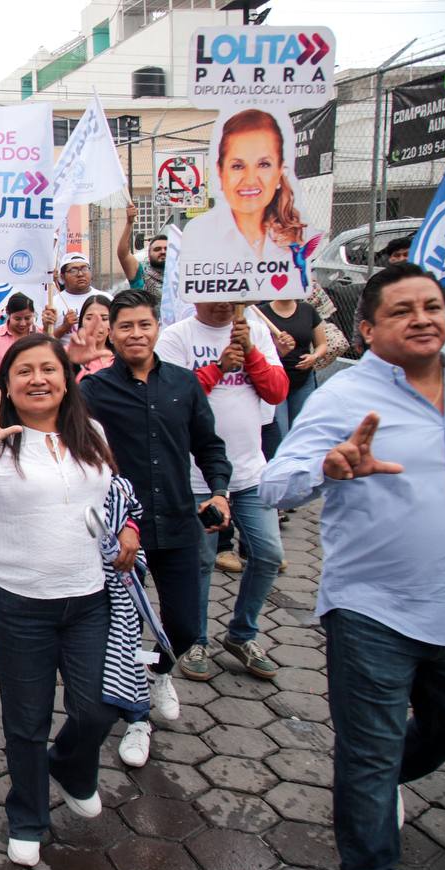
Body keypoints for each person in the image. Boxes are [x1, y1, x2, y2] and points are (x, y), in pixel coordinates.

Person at [260, 264, 445, 870]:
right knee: (367, 751)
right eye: (403, 310)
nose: (424, 318)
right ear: (367, 329)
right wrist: (327, 467)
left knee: (430, 732)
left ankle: (377, 781)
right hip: (372, 607)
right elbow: (277, 483)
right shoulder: (348, 396)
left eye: (432, 305)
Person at [0, 334, 126, 868]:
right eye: (24, 371)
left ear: (66, 377)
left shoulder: (93, 433)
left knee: (98, 707)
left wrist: (127, 529)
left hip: (89, 597)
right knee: (26, 719)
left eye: (49, 369)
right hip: (19, 602)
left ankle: (72, 767)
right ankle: (28, 816)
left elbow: (112, 496)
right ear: (7, 384)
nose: (38, 379)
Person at [81, 291, 232, 766]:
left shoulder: (184, 385)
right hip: (122, 534)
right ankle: (137, 718)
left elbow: (210, 446)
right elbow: (86, 463)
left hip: (180, 523)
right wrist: (120, 521)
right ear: (111, 333)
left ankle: (161, 671)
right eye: (125, 326)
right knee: (123, 634)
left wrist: (220, 491)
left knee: (186, 627)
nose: (136, 334)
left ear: (157, 328)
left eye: (144, 325)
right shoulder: (93, 390)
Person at [157, 302, 288, 681]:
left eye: (232, 298)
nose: (223, 305)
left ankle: (242, 633)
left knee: (267, 554)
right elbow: (170, 399)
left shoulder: (255, 332)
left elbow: (277, 392)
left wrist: (250, 353)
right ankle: (196, 639)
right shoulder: (177, 337)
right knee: (200, 562)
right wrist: (218, 368)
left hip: (249, 472)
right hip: (196, 478)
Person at [179, 110, 312, 297]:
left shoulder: (295, 235)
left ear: (280, 170)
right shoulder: (199, 233)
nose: (250, 179)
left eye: (264, 164)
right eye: (238, 166)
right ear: (220, 171)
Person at [258, 296, 328, 457]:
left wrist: (314, 357)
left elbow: (322, 344)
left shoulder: (307, 310)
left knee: (302, 432)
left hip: (304, 381)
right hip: (277, 382)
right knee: (281, 435)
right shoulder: (261, 313)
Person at [0, 293, 36, 388]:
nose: (23, 323)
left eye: (27, 318)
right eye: (17, 318)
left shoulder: (40, 335)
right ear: (8, 314)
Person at [117, 204, 168, 305]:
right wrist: (129, 223)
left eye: (167, 249)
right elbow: (123, 254)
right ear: (148, 254)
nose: (163, 251)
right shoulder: (140, 273)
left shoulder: (181, 274)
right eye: (157, 249)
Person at [52, 253, 110, 337]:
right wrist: (64, 327)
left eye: (84, 269)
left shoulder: (106, 298)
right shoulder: (53, 303)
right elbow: (46, 341)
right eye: (73, 270)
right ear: (62, 276)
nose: (80, 274)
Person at [68, 296, 116, 379]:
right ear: (81, 321)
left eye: (104, 319)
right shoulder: (68, 356)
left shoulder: (122, 359)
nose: (97, 323)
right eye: (89, 318)